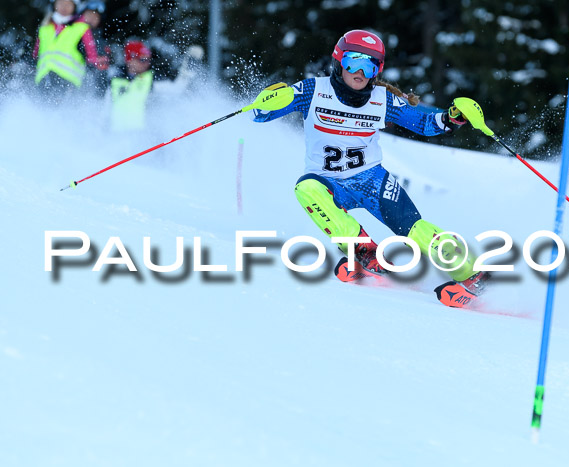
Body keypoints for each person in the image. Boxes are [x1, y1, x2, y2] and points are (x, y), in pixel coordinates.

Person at [253, 30, 488, 300]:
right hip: (327, 180)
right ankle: (364, 251)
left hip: (372, 180)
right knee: (305, 188)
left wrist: (450, 118)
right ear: (339, 61)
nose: (360, 72)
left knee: (415, 229)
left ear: (378, 70)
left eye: (370, 65)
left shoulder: (381, 99)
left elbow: (422, 121)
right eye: (354, 62)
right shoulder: (312, 91)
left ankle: (471, 273)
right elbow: (260, 115)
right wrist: (269, 101)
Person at [108, 40, 203, 132]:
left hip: (142, 135)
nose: (146, 63)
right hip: (116, 135)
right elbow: (105, 108)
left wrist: (189, 68)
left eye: (148, 59)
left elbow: (177, 88)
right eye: (142, 59)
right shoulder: (115, 80)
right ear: (130, 60)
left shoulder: (149, 79)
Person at [33, 0, 108, 100]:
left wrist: (100, 63)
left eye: (68, 4)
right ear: (54, 5)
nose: (64, 7)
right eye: (60, 3)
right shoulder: (44, 28)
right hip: (43, 78)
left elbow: (92, 55)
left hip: (68, 80)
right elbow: (36, 54)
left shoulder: (82, 27)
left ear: (74, 7)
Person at [78, 0, 110, 96]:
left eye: (96, 17)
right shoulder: (72, 33)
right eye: (89, 15)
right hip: (73, 79)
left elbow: (103, 71)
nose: (92, 19)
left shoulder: (101, 42)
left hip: (91, 87)